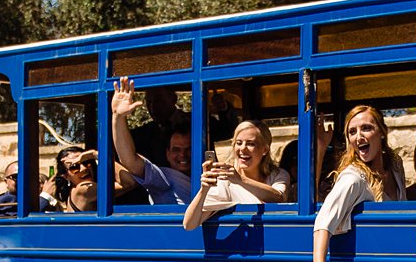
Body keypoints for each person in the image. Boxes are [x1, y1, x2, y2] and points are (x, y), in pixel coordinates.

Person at [312, 104, 406, 262]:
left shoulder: (396, 166)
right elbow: (323, 222)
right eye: (352, 132)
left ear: (382, 132)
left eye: (366, 128)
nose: (358, 136)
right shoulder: (354, 177)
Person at [181, 118, 291, 230]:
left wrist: (241, 180)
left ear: (265, 150)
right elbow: (188, 225)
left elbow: (279, 197)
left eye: (251, 144)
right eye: (238, 143)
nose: (243, 148)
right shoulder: (225, 181)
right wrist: (203, 190)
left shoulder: (277, 175)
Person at [109, 76, 193, 205]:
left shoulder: (209, 178)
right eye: (176, 149)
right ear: (167, 154)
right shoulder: (163, 178)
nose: (182, 155)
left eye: (188, 149)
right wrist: (118, 117)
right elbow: (129, 159)